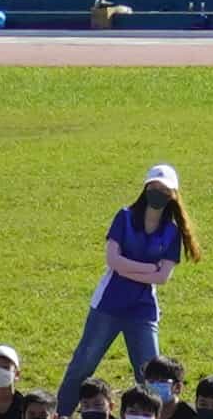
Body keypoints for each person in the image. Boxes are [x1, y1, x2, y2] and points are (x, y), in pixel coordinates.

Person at [66, 168, 195, 402]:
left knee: (152, 376)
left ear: (173, 195)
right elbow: (112, 261)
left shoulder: (171, 232)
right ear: (145, 188)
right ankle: (60, 414)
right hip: (108, 304)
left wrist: (129, 269)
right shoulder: (124, 217)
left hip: (143, 309)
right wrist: (149, 268)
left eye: (164, 190)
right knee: (82, 365)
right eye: (154, 187)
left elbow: (162, 277)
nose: (158, 193)